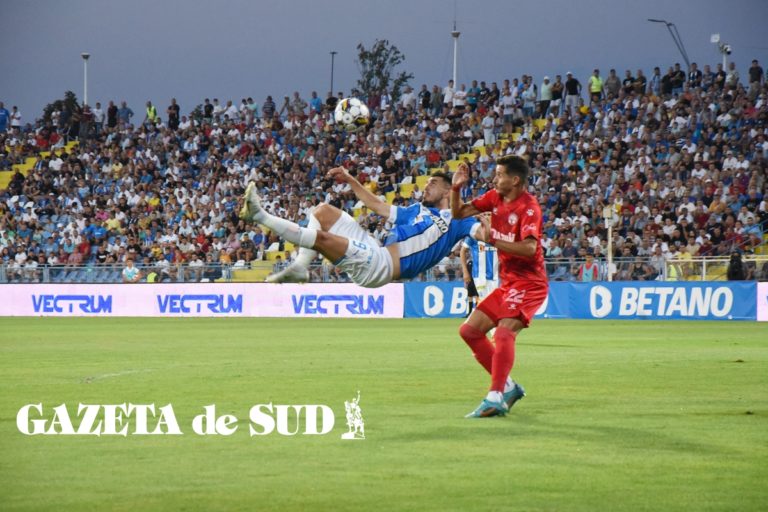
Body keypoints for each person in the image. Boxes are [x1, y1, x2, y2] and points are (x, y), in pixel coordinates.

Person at [239, 169, 482, 288]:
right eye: (426, 183)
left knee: (322, 239)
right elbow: (376, 205)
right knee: (323, 211)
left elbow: (484, 234)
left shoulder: (461, 219)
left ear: (448, 190)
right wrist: (350, 179)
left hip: (381, 267)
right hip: (376, 249)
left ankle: (259, 214)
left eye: (433, 184)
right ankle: (301, 267)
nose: (426, 187)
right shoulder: (417, 210)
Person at [451, 155, 549, 418]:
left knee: (504, 333)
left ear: (514, 180)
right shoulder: (494, 197)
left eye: (499, 174)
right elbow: (458, 213)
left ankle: (495, 397)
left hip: (530, 284)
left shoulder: (529, 208)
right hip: (508, 283)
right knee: (469, 331)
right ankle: (508, 386)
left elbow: (530, 249)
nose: (495, 179)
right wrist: (456, 189)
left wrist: (492, 238)